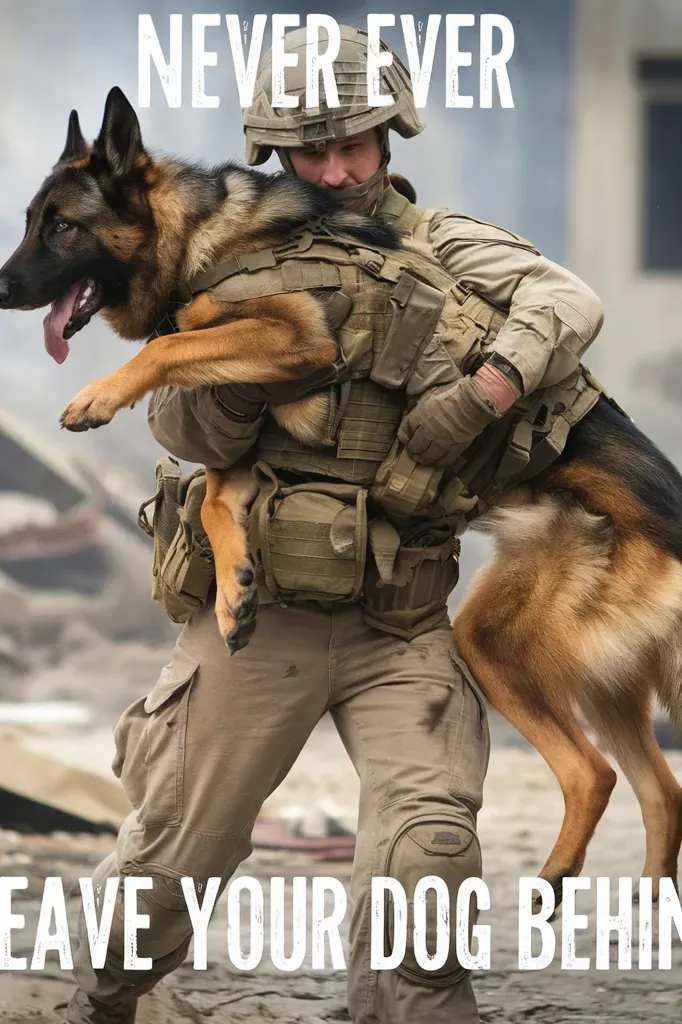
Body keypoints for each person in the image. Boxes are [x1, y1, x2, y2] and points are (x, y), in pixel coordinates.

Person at [66, 26, 603, 1024]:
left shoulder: (443, 246)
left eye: (354, 144)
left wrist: (480, 390)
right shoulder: (234, 259)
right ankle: (109, 1000)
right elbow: (182, 429)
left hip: (400, 624)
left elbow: (563, 305)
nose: (338, 169)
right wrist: (242, 367)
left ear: (389, 133)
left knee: (429, 856)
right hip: (254, 621)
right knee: (168, 866)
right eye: (311, 152)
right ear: (278, 156)